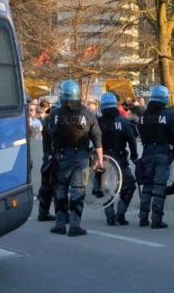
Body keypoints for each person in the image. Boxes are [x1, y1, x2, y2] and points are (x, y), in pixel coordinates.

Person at [50, 81, 103, 237]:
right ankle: (74, 225)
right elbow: (97, 138)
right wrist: (100, 160)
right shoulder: (88, 114)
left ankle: (60, 224)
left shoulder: (55, 114)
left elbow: (51, 133)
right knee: (77, 191)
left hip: (61, 157)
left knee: (60, 190)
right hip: (81, 158)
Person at [137, 85, 174, 229]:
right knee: (159, 187)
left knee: (147, 186)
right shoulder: (168, 114)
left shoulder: (143, 115)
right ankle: (156, 219)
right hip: (162, 152)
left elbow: (140, 133)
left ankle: (143, 217)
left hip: (147, 153)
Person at [97, 93, 138, 226]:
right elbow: (132, 141)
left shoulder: (97, 122)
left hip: (103, 160)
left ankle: (110, 216)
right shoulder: (123, 122)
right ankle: (120, 215)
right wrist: (134, 155)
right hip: (120, 160)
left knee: (106, 189)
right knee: (129, 186)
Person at [37, 99, 59, 222]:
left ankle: (43, 213)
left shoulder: (46, 120)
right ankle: (59, 214)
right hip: (55, 157)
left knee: (46, 187)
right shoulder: (54, 123)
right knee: (58, 187)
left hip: (47, 157)